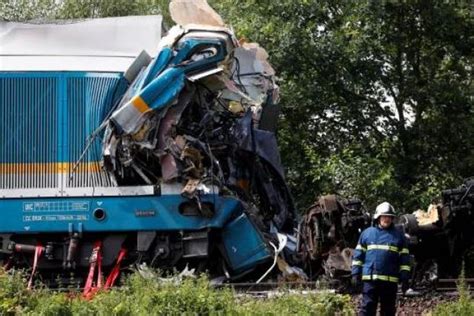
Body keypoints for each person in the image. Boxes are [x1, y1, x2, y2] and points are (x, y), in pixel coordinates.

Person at [351, 202, 411, 316]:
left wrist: (405, 277)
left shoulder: (399, 236)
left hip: (390, 281)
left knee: (388, 311)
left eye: (389, 217)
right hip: (370, 280)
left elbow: (405, 260)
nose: (387, 219)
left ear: (392, 218)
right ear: (378, 217)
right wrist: (355, 273)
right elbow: (358, 255)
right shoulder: (367, 234)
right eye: (384, 216)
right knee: (367, 310)